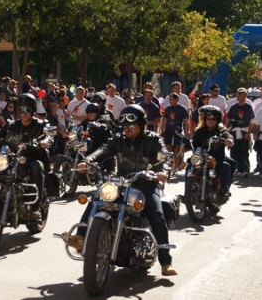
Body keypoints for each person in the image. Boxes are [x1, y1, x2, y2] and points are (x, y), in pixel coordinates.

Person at [63, 104, 177, 276]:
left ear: (141, 125)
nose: (127, 130)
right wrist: (88, 161)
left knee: (157, 214)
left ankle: (165, 262)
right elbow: (104, 150)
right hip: (122, 182)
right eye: (124, 127)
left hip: (146, 183)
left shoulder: (152, 139)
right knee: (97, 198)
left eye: (131, 126)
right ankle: (81, 237)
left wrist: (164, 171)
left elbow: (164, 156)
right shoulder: (118, 139)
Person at [0, 93, 52, 218]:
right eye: (21, 109)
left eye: (27, 109)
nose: (23, 112)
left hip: (33, 156)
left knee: (37, 165)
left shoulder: (41, 124)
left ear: (32, 110)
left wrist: (45, 141)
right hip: (13, 157)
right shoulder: (11, 124)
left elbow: (49, 135)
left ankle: (35, 207)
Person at [192, 105, 234, 202]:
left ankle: (223, 192)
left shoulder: (221, 131)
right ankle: (189, 193)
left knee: (226, 165)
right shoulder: (199, 131)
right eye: (208, 118)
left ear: (218, 120)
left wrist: (229, 140)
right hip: (201, 160)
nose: (210, 121)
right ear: (205, 119)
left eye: (213, 119)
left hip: (216, 160)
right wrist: (184, 147)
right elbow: (194, 142)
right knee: (189, 167)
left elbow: (229, 136)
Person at [224, 88, 255, 177]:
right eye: (241, 96)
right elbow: (228, 119)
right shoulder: (233, 107)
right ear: (237, 96)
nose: (242, 97)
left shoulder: (248, 107)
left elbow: (251, 121)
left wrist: (249, 133)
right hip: (234, 132)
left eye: (244, 96)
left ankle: (244, 169)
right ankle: (236, 169)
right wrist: (225, 131)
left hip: (244, 131)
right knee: (234, 151)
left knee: (244, 151)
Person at [160, 92, 189, 174]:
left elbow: (186, 121)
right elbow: (164, 119)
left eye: (172, 99)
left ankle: (176, 166)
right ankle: (169, 165)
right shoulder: (168, 108)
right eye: (169, 99)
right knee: (168, 148)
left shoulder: (182, 108)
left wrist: (186, 132)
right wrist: (162, 130)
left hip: (177, 131)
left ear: (176, 99)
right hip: (168, 131)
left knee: (177, 148)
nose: (170, 101)